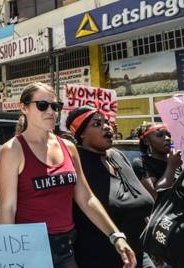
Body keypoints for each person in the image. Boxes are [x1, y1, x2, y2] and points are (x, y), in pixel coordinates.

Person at [0, 82, 136, 268]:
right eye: (42, 105)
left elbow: (86, 197)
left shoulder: (68, 147)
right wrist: (10, 259)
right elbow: (8, 209)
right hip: (30, 250)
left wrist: (115, 235)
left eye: (55, 106)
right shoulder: (12, 151)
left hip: (67, 247)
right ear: (24, 108)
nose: (51, 111)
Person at [68, 106, 155, 268]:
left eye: (106, 122)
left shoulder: (117, 155)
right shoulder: (76, 162)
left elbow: (141, 203)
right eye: (97, 124)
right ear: (81, 134)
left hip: (139, 254)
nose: (106, 126)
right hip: (100, 258)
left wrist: (153, 243)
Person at [132, 122, 182, 199]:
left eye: (169, 135)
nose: (167, 138)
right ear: (146, 141)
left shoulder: (175, 160)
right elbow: (156, 195)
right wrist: (171, 166)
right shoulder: (141, 163)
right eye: (159, 135)